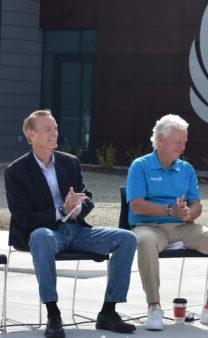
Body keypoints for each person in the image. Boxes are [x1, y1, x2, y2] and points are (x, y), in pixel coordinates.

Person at [4, 110, 137, 338]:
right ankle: (53, 314)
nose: (54, 133)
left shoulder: (69, 162)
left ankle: (108, 312)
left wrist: (77, 208)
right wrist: (61, 210)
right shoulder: (16, 171)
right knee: (41, 236)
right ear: (31, 134)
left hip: (75, 230)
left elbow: (86, 196)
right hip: (46, 234)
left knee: (127, 238)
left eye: (55, 128)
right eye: (48, 129)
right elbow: (24, 218)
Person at [126, 114, 208, 330]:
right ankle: (154, 307)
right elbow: (137, 205)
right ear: (160, 140)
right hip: (149, 227)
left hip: (183, 227)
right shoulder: (139, 166)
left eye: (185, 141)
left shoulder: (186, 168)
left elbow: (197, 204)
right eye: (178, 141)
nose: (183, 146)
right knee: (146, 242)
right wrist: (171, 209)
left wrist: (189, 214)